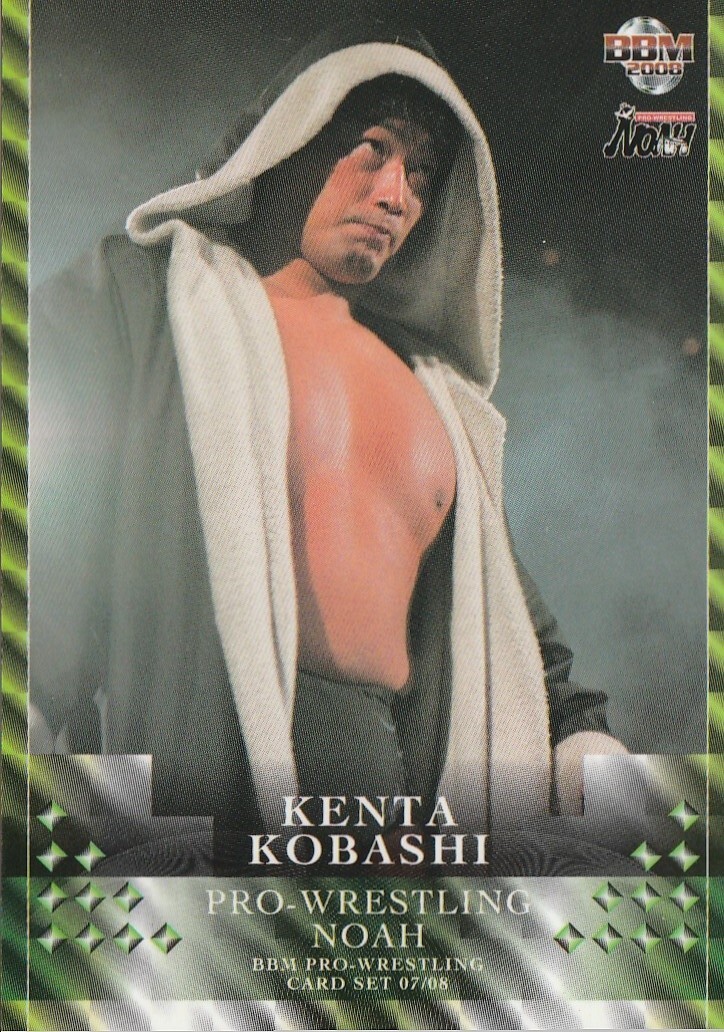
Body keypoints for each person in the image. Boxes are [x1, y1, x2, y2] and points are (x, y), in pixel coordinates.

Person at [29, 21, 626, 870]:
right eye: (373, 150)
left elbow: (521, 644)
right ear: (292, 138)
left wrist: (603, 780)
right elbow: (41, 557)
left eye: (420, 175)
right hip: (203, 805)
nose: (395, 195)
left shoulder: (439, 395)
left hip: (414, 827)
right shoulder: (140, 303)